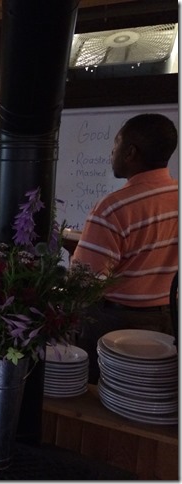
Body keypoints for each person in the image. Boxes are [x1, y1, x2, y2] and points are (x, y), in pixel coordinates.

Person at [71, 113, 178, 384]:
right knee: (153, 395)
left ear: (131, 152)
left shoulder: (114, 208)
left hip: (117, 323)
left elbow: (85, 281)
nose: (112, 152)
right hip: (171, 317)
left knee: (102, 396)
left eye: (116, 144)